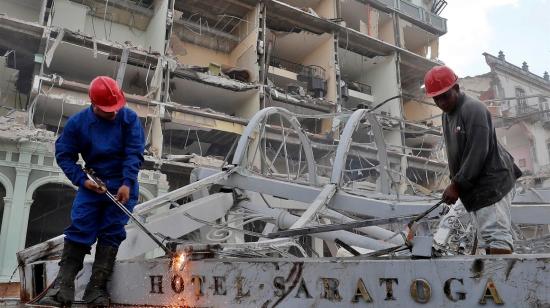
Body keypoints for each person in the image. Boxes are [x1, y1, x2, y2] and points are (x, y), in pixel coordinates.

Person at [39, 76, 145, 306]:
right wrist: (81, 180)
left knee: (111, 232)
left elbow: (133, 153)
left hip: (123, 184)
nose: (114, 113)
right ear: (95, 105)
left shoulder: (129, 118)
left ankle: (96, 289)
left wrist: (127, 182)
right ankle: (62, 288)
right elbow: (64, 154)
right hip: (93, 182)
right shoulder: (78, 124)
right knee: (80, 227)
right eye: (109, 110)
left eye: (117, 108)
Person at [424, 65, 522, 255]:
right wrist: (457, 184)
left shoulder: (473, 109)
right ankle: (494, 281)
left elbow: (478, 151)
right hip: (477, 187)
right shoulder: (447, 116)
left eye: (445, 95)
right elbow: (458, 154)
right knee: (488, 241)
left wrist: (457, 185)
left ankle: (502, 283)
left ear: (457, 88)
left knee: (497, 239)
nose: (441, 102)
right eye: (436, 98)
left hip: (492, 183)